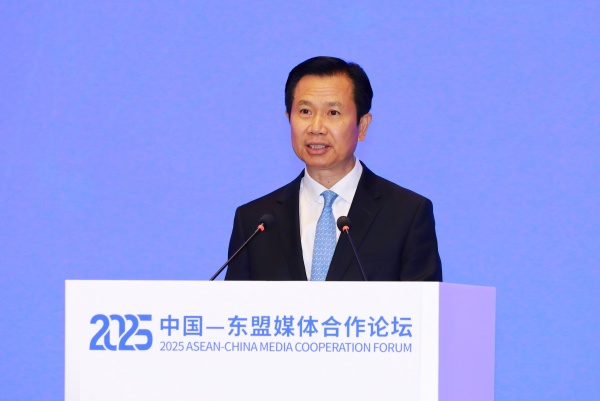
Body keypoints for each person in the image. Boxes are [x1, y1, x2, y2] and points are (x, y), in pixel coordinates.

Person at [224, 56, 442, 281]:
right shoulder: (255, 222)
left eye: (333, 113)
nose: (316, 127)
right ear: (289, 119)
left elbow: (424, 302)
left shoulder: (407, 214)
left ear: (362, 126)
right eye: (305, 111)